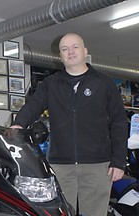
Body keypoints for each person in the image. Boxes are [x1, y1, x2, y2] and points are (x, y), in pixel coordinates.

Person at [11, 33, 128, 216]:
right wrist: (18, 124)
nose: (70, 52)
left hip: (98, 165)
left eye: (75, 47)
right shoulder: (51, 84)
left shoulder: (103, 83)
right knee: (60, 213)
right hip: (61, 166)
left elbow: (119, 122)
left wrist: (119, 161)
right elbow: (33, 105)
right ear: (60, 55)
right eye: (65, 49)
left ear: (85, 51)